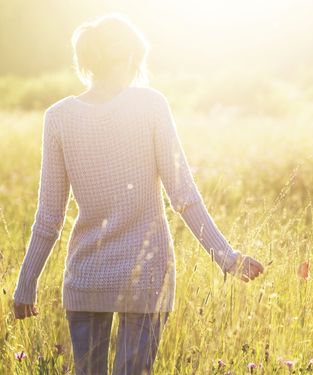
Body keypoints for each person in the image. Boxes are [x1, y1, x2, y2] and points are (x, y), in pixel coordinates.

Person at [11, 13, 264, 375]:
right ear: (131, 57)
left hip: (85, 275)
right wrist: (226, 257)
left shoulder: (59, 117)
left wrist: (26, 283)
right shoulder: (150, 106)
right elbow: (183, 196)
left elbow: (49, 218)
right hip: (146, 277)